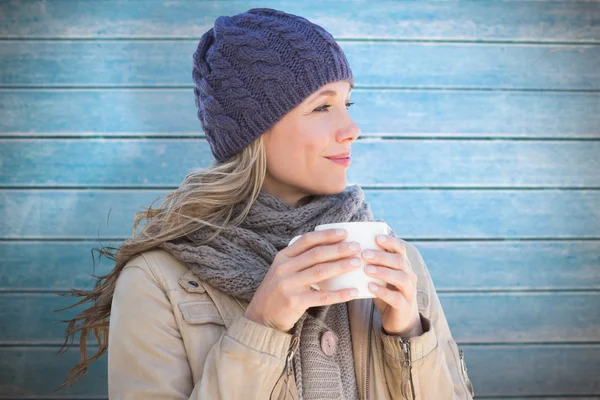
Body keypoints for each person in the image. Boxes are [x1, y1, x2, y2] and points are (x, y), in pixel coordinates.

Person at [59, 7, 475, 399]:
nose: (351, 128)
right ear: (254, 132)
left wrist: (407, 336)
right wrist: (261, 327)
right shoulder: (158, 282)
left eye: (347, 103)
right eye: (322, 106)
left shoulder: (401, 266)